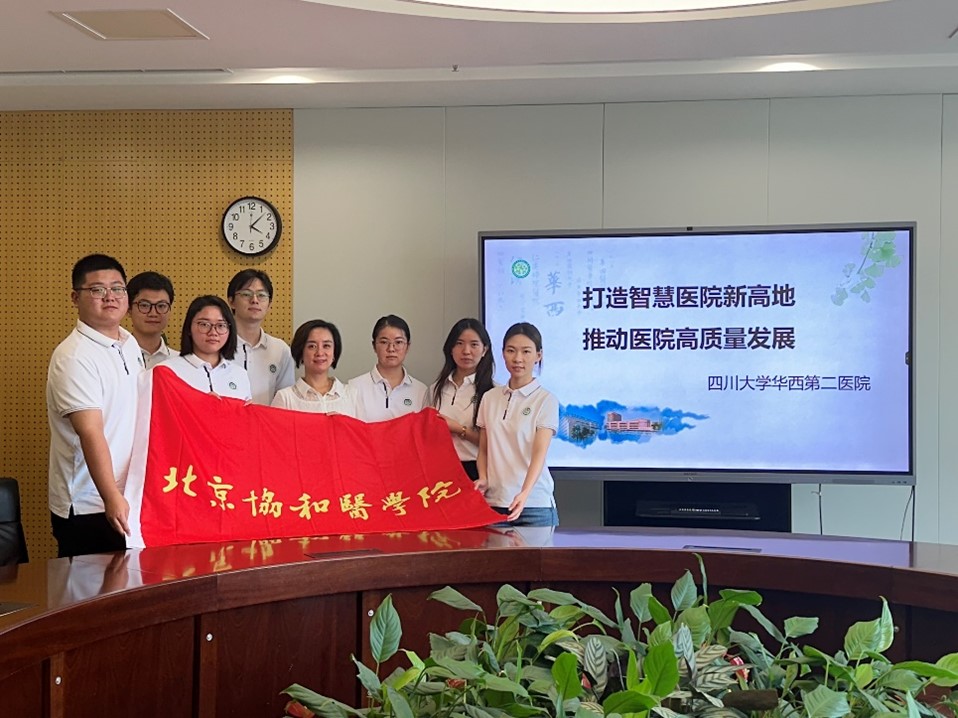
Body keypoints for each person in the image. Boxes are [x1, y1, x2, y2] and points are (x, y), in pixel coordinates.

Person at [47, 254, 144, 557]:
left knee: (129, 582)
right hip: (90, 503)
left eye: (117, 288)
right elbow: (90, 432)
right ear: (75, 297)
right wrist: (111, 496)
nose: (110, 296)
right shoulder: (74, 356)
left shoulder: (129, 343)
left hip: (129, 496)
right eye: (97, 289)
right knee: (90, 586)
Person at [476, 322, 559, 526]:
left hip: (535, 506)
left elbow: (539, 453)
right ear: (503, 353)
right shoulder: (489, 397)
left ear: (538, 355)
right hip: (495, 504)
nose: (518, 358)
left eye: (526, 351)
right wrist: (484, 478)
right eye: (511, 350)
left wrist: (525, 493)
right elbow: (484, 450)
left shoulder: (545, 399)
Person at [424, 318, 495, 481]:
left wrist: (459, 429)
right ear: (450, 348)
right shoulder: (435, 389)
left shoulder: (493, 392)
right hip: (439, 470)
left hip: (476, 471)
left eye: (474, 345)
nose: (466, 351)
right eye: (459, 343)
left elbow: (495, 443)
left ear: (484, 350)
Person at [162, 295, 251, 401]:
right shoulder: (168, 371)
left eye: (221, 325)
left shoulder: (239, 374)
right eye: (204, 324)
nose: (213, 332)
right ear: (189, 328)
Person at [227, 269, 295, 405]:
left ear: (269, 304)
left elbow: (286, 402)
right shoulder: (218, 345)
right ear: (231, 301)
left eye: (261, 295)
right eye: (246, 294)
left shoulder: (280, 350)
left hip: (267, 419)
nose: (254, 300)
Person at [348, 314, 427, 422]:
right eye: (384, 342)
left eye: (398, 342)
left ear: (408, 346)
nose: (391, 349)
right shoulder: (354, 387)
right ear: (374, 346)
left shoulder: (421, 391)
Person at [271, 319, 356, 416]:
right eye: (312, 346)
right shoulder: (285, 398)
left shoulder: (352, 395)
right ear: (301, 352)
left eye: (326, 346)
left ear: (334, 353)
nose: (320, 353)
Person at [126, 271, 178, 369]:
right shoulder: (116, 359)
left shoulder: (180, 362)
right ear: (128, 309)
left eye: (161, 306)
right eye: (144, 305)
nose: (153, 313)